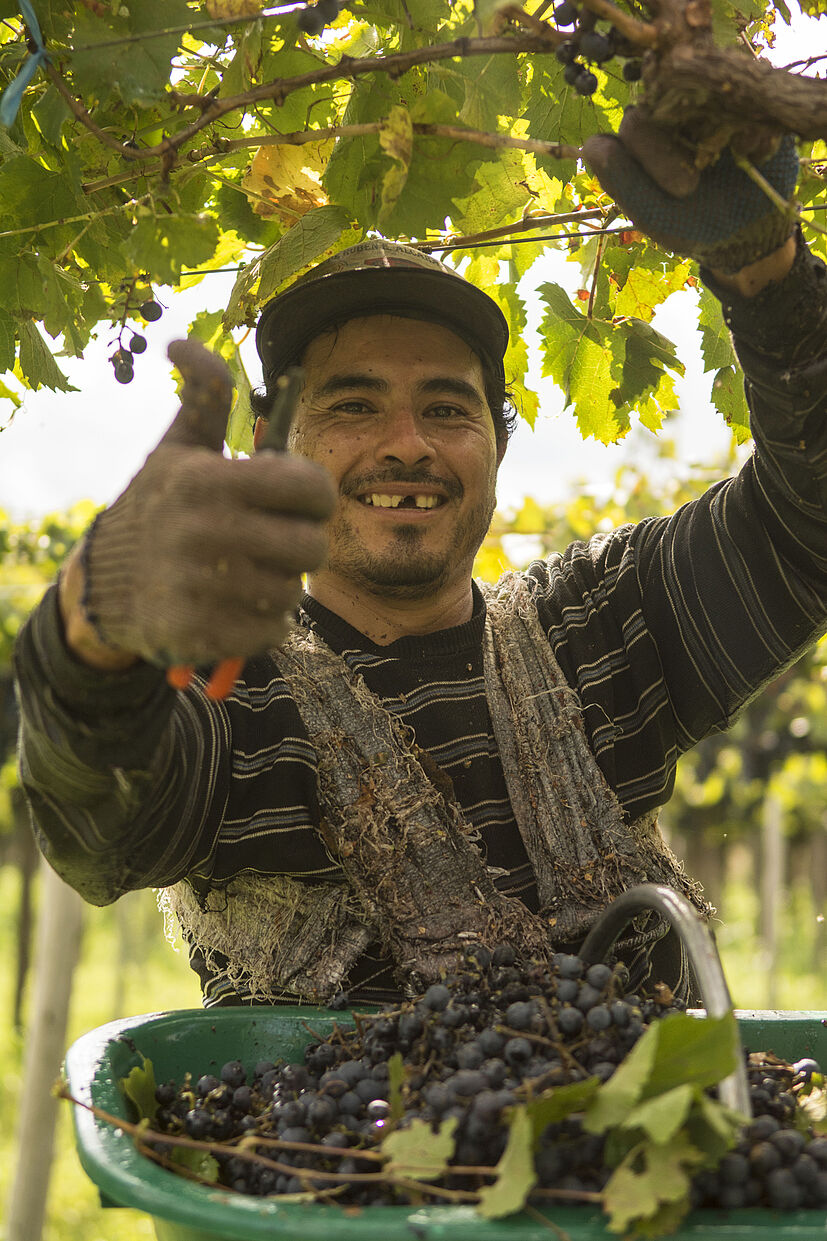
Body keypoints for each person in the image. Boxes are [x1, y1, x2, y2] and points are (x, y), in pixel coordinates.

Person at [12, 114, 827, 1009]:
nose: (406, 446)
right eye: (354, 406)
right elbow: (101, 824)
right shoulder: (225, 688)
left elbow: (806, 528)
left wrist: (768, 276)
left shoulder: (602, 630)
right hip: (321, 1154)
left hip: (645, 1149)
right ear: (277, 449)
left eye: (446, 408)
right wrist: (90, 628)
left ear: (497, 446)